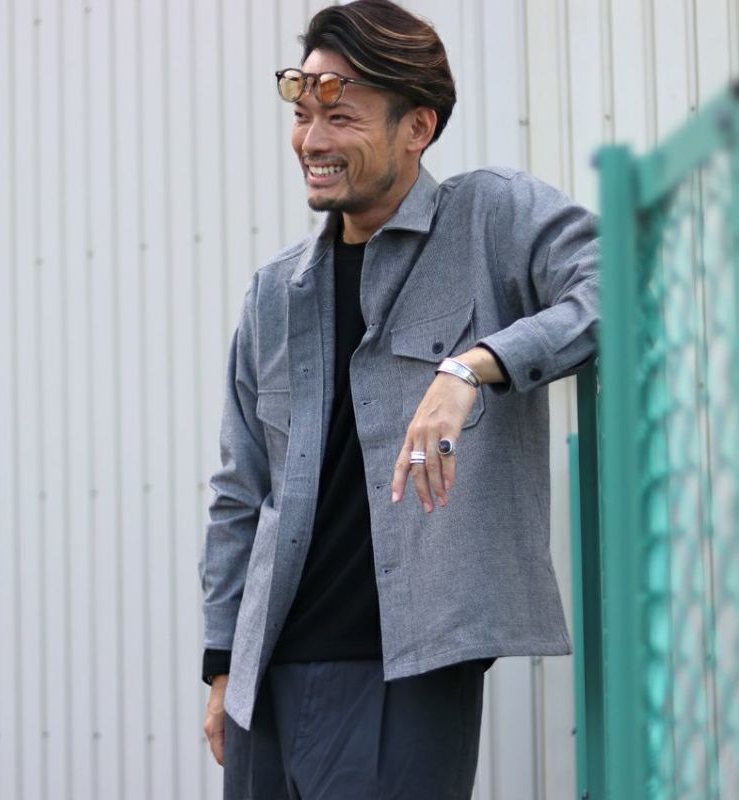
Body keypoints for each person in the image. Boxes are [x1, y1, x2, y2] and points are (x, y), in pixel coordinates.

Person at [199, 1, 599, 797]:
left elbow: (614, 287)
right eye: (304, 117)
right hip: (261, 682)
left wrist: (471, 368)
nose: (312, 141)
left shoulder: (489, 218)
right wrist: (221, 667)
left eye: (340, 117)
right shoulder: (275, 292)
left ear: (417, 127)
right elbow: (241, 492)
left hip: (405, 677)